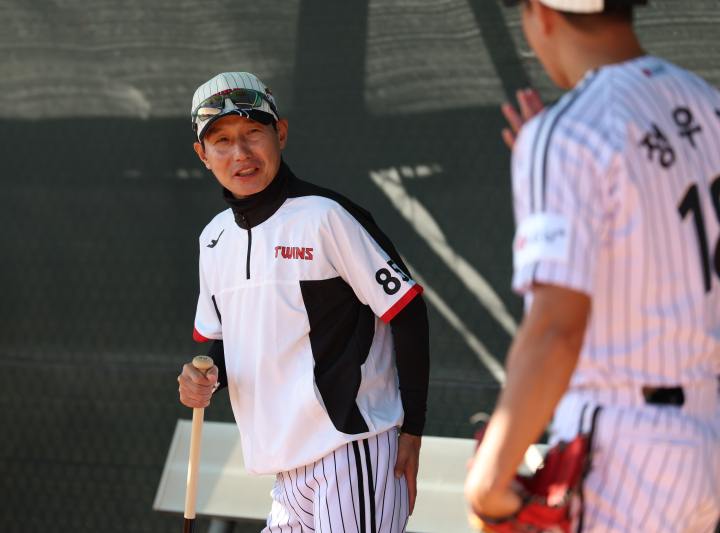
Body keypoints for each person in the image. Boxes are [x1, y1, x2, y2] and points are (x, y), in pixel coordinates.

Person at [464, 1, 720, 532]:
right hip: (706, 439)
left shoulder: (568, 133)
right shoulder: (708, 104)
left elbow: (557, 327)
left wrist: (491, 480)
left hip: (623, 449)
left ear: (540, 12)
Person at [178, 72, 430, 533]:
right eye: (222, 140)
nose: (241, 153)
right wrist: (202, 377)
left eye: (253, 132)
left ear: (281, 134)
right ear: (202, 154)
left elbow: (407, 310)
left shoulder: (326, 216)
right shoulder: (213, 239)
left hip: (353, 452)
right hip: (285, 475)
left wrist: (413, 427)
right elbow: (218, 344)